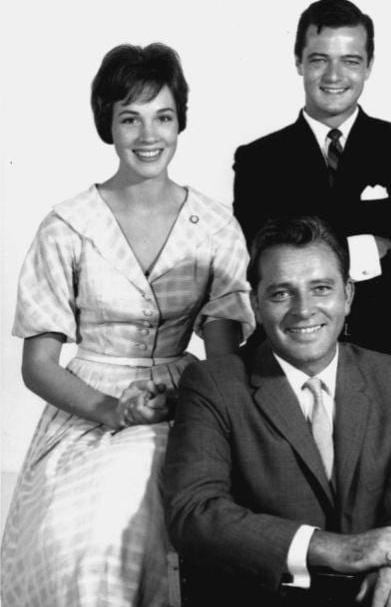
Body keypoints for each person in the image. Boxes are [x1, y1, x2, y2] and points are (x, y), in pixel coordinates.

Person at [1, 43, 254, 606]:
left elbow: (223, 359)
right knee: (76, 541)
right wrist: (113, 411)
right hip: (86, 407)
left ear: (180, 121)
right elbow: (38, 365)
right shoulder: (68, 226)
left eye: (163, 116)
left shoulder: (214, 226)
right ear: (107, 126)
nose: (149, 135)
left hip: (188, 403)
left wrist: (199, 414)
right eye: (129, 118)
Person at [165, 216, 391, 607]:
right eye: (281, 294)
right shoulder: (212, 384)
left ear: (348, 295)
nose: (304, 310)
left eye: (321, 288)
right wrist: (339, 549)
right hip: (269, 595)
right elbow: (196, 515)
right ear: (255, 303)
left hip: (381, 592)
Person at [233, 0, 391, 420]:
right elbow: (266, 269)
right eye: (320, 59)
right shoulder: (258, 160)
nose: (335, 76)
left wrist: (312, 255)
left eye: (351, 60)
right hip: (294, 356)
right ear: (298, 61)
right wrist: (375, 245)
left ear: (369, 65)